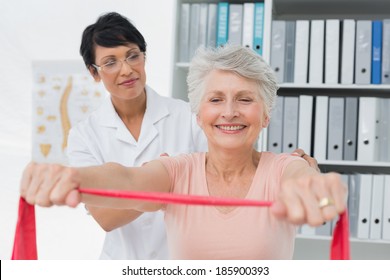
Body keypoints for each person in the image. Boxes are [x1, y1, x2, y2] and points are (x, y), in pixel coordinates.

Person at [21, 44, 347, 260]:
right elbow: (126, 179)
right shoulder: (177, 171)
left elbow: (312, 188)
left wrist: (322, 193)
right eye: (216, 99)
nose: (229, 112)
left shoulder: (284, 168)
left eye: (245, 100)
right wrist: (71, 176)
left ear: (266, 115)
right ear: (198, 113)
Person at [67, 12, 319, 260]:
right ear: (94, 72)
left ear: (144, 57)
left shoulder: (189, 114)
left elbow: (227, 174)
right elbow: (104, 216)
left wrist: (298, 175)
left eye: (133, 56)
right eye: (110, 62)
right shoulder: (84, 134)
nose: (126, 70)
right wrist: (159, 182)